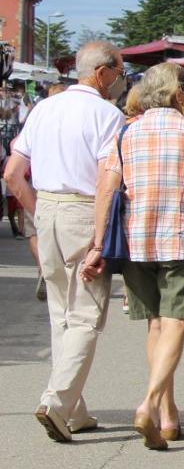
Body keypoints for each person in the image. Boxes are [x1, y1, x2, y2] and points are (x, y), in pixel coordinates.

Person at [82, 63, 184, 450]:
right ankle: (148, 404)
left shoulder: (125, 133)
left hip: (136, 241)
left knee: (155, 326)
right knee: (177, 324)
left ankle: (168, 414)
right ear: (178, 94)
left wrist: (97, 245)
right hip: (183, 239)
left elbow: (108, 189)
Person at [2, 41, 126, 442]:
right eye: (120, 71)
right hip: (83, 207)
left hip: (49, 209)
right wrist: (99, 236)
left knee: (62, 313)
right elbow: (109, 180)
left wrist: (37, 211)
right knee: (87, 314)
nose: (121, 80)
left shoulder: (44, 108)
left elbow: (12, 174)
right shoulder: (108, 115)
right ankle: (57, 403)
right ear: (103, 72)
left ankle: (74, 409)